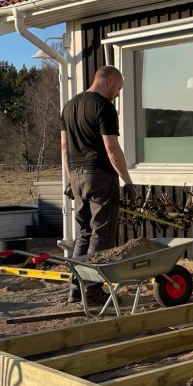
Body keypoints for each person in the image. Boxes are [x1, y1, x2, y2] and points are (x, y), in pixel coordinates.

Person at [60, 65, 137, 304]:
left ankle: (76, 288)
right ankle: (92, 290)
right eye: (119, 88)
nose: (118, 94)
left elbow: (64, 147)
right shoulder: (103, 106)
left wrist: (71, 178)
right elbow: (111, 149)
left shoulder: (69, 106)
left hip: (77, 176)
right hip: (100, 176)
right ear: (109, 81)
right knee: (101, 234)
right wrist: (127, 180)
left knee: (84, 233)